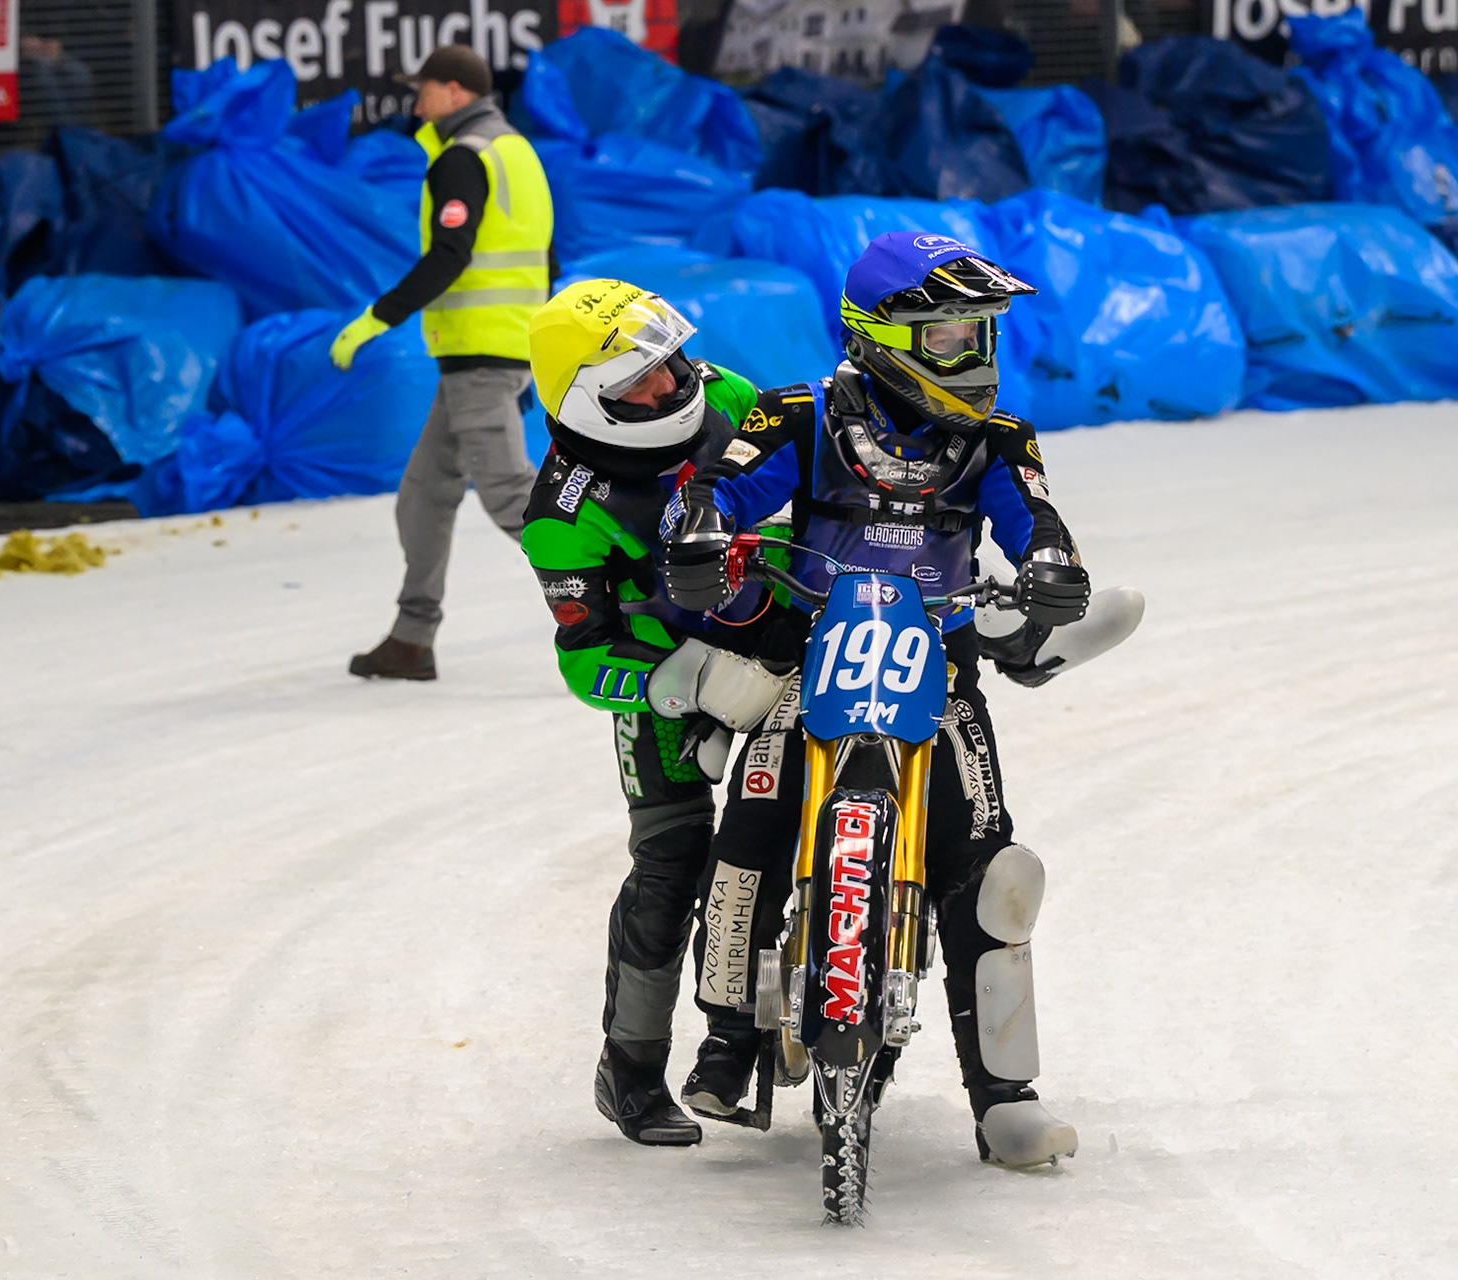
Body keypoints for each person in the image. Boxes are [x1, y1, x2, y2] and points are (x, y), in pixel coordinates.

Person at [664, 231, 1091, 1168]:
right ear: (879, 335)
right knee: (750, 833)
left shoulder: (1000, 436)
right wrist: (699, 534)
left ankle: (1003, 1098)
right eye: (950, 338)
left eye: (980, 335)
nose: (973, 357)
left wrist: (1052, 563)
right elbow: (721, 488)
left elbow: (1035, 518)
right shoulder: (799, 414)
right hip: (809, 656)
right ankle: (728, 1041)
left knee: (989, 869)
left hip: (939, 660)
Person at [519, 277, 798, 1147]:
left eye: (672, 361)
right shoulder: (560, 515)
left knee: (803, 812)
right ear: (589, 401)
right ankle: (631, 1070)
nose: (673, 384)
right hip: (671, 675)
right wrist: (690, 679)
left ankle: (759, 1025)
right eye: (642, 379)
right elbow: (585, 658)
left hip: (790, 630)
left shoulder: (729, 395)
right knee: (673, 862)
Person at [336, 45, 553, 682]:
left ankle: (632, 602)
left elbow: (449, 254)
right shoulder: (517, 151)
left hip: (480, 351)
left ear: (456, 91)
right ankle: (411, 638)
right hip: (495, 350)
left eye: (425, 88)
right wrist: (528, 349)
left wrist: (378, 317)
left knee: (511, 496)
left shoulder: (463, 156)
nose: (418, 100)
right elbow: (549, 256)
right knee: (424, 495)